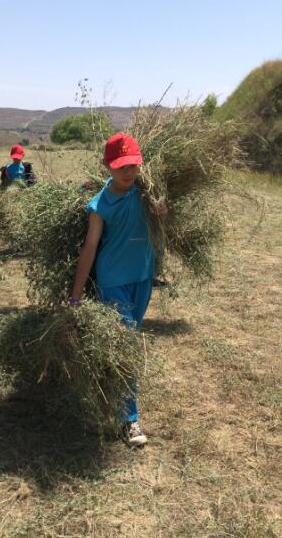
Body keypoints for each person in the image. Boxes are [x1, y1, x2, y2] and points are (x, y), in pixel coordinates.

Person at [70, 132, 167, 447]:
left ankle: (106, 389)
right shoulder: (100, 204)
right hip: (113, 280)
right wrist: (75, 294)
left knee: (129, 338)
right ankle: (130, 421)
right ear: (106, 165)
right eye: (120, 165)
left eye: (133, 164)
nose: (128, 171)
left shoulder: (146, 192)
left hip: (142, 277)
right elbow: (90, 247)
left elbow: (161, 224)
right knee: (126, 346)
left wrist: (163, 212)